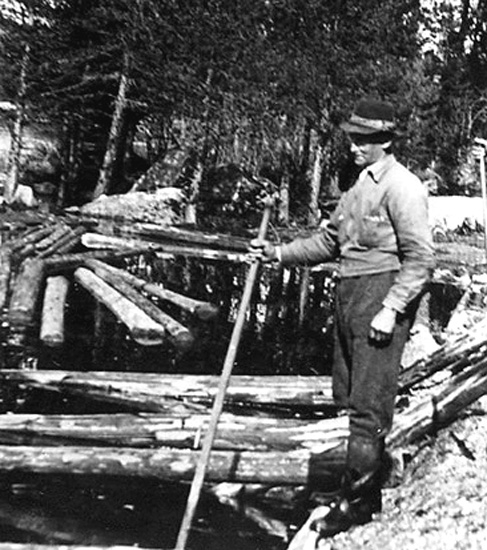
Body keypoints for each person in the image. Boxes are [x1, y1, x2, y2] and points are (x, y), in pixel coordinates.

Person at [250, 98, 435, 539]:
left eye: (363, 139)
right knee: (350, 397)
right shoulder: (357, 186)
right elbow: (329, 242)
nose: (354, 146)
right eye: (352, 138)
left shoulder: (403, 187)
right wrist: (277, 253)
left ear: (385, 141)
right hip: (350, 294)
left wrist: (391, 309)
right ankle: (355, 489)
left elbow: (421, 258)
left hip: (380, 296)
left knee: (369, 407)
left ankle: (358, 506)